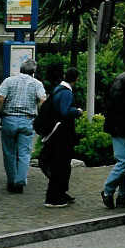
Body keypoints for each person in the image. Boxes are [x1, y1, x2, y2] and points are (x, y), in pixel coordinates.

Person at [0, 58, 46, 193]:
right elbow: (42, 101)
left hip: (9, 120)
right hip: (27, 121)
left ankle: (11, 181)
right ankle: (20, 181)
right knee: (24, 153)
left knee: (9, 152)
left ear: (21, 69)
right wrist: (40, 116)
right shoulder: (37, 84)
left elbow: (0, 99)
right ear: (33, 72)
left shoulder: (9, 81)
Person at [42, 67, 83, 208]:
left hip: (54, 132)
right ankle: (54, 198)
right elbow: (65, 111)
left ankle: (60, 193)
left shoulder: (57, 89)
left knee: (59, 164)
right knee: (61, 165)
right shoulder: (67, 93)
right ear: (76, 79)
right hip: (62, 134)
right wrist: (77, 111)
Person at [102, 57, 125, 209]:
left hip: (121, 126)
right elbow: (117, 106)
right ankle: (108, 191)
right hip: (120, 127)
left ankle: (123, 195)